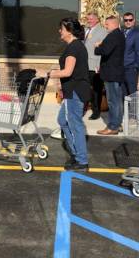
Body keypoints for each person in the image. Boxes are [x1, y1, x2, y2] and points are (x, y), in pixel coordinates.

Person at [49, 18, 90, 171]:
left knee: (75, 124)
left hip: (76, 91)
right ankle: (76, 153)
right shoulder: (75, 46)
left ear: (69, 30)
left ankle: (81, 160)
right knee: (62, 120)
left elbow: (67, 72)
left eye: (61, 28)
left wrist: (48, 74)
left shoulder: (74, 48)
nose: (60, 31)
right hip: (71, 90)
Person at [94, 16, 125, 136]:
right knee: (117, 101)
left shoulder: (113, 36)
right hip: (115, 72)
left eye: (107, 24)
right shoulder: (119, 35)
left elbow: (104, 51)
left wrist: (98, 45)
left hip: (112, 74)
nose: (105, 26)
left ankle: (113, 127)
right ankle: (117, 124)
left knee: (113, 101)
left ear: (114, 24)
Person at [83, 12, 107, 120]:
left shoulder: (102, 31)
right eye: (88, 19)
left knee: (96, 90)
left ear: (97, 19)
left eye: (92, 19)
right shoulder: (85, 30)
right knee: (85, 88)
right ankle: (83, 108)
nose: (89, 20)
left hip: (95, 65)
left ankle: (96, 111)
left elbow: (103, 50)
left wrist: (99, 65)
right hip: (84, 65)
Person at [122, 12, 139, 96]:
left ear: (134, 21)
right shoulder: (121, 32)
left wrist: (136, 66)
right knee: (123, 93)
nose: (128, 22)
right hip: (121, 68)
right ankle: (125, 109)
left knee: (132, 93)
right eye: (126, 20)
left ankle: (133, 109)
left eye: (130, 20)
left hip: (131, 68)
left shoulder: (138, 33)